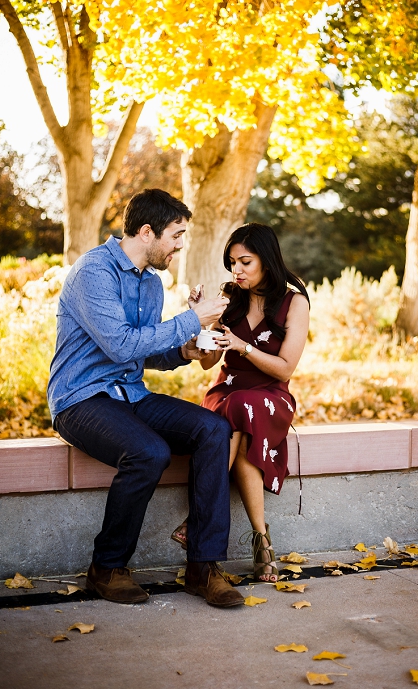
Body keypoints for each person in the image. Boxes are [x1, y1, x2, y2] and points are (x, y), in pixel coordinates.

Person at [47, 188, 245, 608]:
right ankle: (107, 568)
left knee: (215, 429)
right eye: (176, 235)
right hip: (81, 398)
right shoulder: (93, 273)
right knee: (148, 451)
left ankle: (203, 567)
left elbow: (143, 349)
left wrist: (184, 351)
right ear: (146, 231)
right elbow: (119, 345)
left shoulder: (152, 284)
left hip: (130, 394)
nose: (180, 244)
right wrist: (192, 317)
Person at [170, 224, 309, 582]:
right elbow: (207, 362)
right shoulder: (228, 298)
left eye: (245, 261)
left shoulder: (295, 303)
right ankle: (262, 541)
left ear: (267, 259)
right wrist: (201, 320)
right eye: (232, 262)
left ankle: (198, 517)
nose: (237, 270)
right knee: (239, 424)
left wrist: (243, 346)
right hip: (227, 391)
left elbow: (285, 368)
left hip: (271, 396)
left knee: (239, 410)